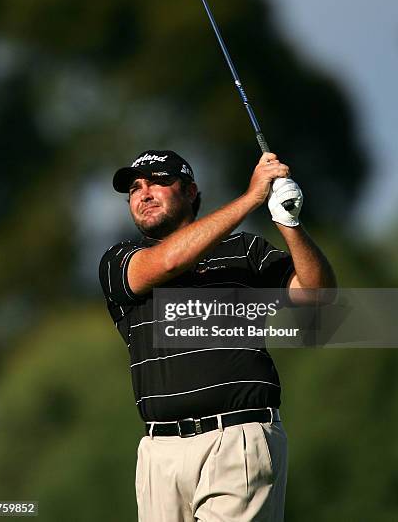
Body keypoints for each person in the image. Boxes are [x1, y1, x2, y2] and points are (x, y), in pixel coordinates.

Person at [99, 149, 336, 522]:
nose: (144, 194)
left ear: (191, 191)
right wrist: (250, 198)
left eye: (158, 182)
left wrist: (288, 221)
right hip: (159, 452)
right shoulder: (121, 260)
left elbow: (318, 298)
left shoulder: (245, 251)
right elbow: (170, 262)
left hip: (237, 439)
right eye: (134, 188)